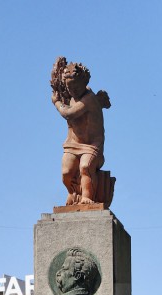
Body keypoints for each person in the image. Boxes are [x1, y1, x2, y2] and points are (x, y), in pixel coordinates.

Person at [51, 60, 110, 206]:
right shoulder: (71, 97)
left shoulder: (88, 99)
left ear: (84, 82)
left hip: (92, 145)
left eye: (76, 87)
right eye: (70, 88)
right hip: (73, 144)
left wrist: (56, 103)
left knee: (85, 167)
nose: (73, 91)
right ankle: (73, 193)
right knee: (66, 173)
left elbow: (69, 114)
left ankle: (87, 196)